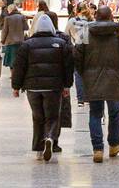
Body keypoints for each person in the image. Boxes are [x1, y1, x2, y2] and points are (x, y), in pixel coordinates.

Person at [75, 7, 119, 163]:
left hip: (92, 79)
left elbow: (77, 56)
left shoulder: (84, 32)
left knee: (95, 114)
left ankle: (97, 149)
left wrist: (84, 73)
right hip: (116, 80)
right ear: (111, 17)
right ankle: (114, 145)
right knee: (114, 114)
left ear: (96, 16)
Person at [11, 13, 74, 161]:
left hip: (33, 88)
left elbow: (19, 67)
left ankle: (39, 148)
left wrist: (16, 86)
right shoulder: (61, 44)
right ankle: (50, 138)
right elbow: (68, 67)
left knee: (38, 117)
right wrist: (67, 85)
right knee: (52, 116)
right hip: (54, 88)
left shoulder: (27, 45)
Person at [1, 3, 26, 78]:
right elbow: (26, 27)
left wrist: (2, 40)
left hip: (10, 42)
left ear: (10, 10)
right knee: (19, 59)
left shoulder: (7, 18)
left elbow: (5, 31)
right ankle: (18, 74)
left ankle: (13, 75)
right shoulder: (22, 17)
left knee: (11, 60)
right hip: (21, 42)